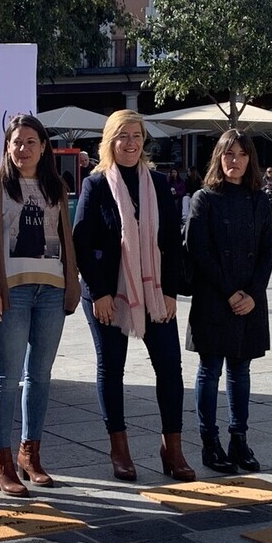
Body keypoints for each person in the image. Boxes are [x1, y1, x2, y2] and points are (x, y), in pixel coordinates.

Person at [73, 109, 193, 483]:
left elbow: (172, 242)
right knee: (112, 368)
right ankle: (119, 450)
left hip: (155, 292)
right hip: (109, 293)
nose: (130, 143)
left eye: (137, 136)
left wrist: (170, 292)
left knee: (170, 368)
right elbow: (80, 242)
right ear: (110, 141)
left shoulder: (157, 183)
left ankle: (171, 448)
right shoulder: (96, 185)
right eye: (123, 136)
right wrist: (100, 293)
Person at [0, 114, 80, 496]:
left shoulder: (56, 186)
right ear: (7, 146)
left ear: (43, 147)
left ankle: (30, 454)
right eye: (17, 142)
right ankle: (0, 461)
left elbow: (65, 238)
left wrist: (72, 282)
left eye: (31, 141)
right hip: (12, 291)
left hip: (50, 290)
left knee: (41, 375)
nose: (23, 149)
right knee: (7, 375)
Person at [185, 130, 272, 474]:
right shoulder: (204, 199)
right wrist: (230, 292)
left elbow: (268, 252)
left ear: (250, 159)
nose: (233, 160)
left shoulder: (259, 200)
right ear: (218, 158)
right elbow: (199, 251)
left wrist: (252, 294)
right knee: (209, 371)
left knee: (241, 369)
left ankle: (240, 439)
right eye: (227, 154)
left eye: (241, 154)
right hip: (214, 298)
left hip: (250, 300)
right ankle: (210, 443)